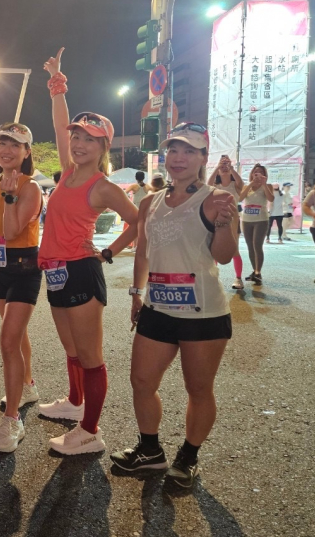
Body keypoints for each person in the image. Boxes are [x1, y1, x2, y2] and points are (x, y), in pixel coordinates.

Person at [110, 123, 238, 490]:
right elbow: (144, 252)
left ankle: (188, 457)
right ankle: (150, 451)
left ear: (202, 157)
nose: (179, 158)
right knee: (141, 381)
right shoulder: (149, 202)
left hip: (203, 314)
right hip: (158, 308)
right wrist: (136, 293)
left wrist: (225, 225)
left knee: (198, 388)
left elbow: (224, 256)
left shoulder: (217, 199)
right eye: (173, 150)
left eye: (189, 151)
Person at [38, 48, 140, 455]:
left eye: (89, 139)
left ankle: (91, 431)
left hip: (81, 270)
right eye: (77, 137)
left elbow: (137, 222)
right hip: (55, 271)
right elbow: (58, 122)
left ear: (103, 147)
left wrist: (108, 252)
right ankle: (74, 402)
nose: (79, 143)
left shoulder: (103, 186)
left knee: (91, 356)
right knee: (71, 350)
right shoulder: (66, 173)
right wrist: (57, 83)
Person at [0, 121, 43, 453]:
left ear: (26, 152)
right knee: (16, 335)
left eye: (14, 145)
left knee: (8, 341)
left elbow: (10, 232)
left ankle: (12, 420)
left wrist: (10, 196)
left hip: (23, 269)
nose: (6, 150)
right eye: (2, 143)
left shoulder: (30, 187)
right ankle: (28, 385)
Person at [208, 155, 245, 290]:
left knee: (235, 249)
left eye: (226, 164)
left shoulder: (235, 185)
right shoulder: (215, 186)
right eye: (222, 164)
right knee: (214, 248)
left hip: (233, 220)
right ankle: (213, 277)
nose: (224, 167)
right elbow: (207, 185)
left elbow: (241, 183)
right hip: (216, 220)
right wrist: (217, 167)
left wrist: (232, 169)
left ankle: (238, 278)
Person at [239, 163, 273, 285]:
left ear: (264, 175)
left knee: (257, 245)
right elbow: (240, 198)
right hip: (246, 220)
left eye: (261, 172)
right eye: (255, 171)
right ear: (252, 174)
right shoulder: (247, 186)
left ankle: (258, 272)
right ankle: (255, 271)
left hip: (261, 219)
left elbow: (271, 199)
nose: (258, 174)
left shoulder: (267, 186)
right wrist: (251, 184)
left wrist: (263, 184)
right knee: (250, 246)